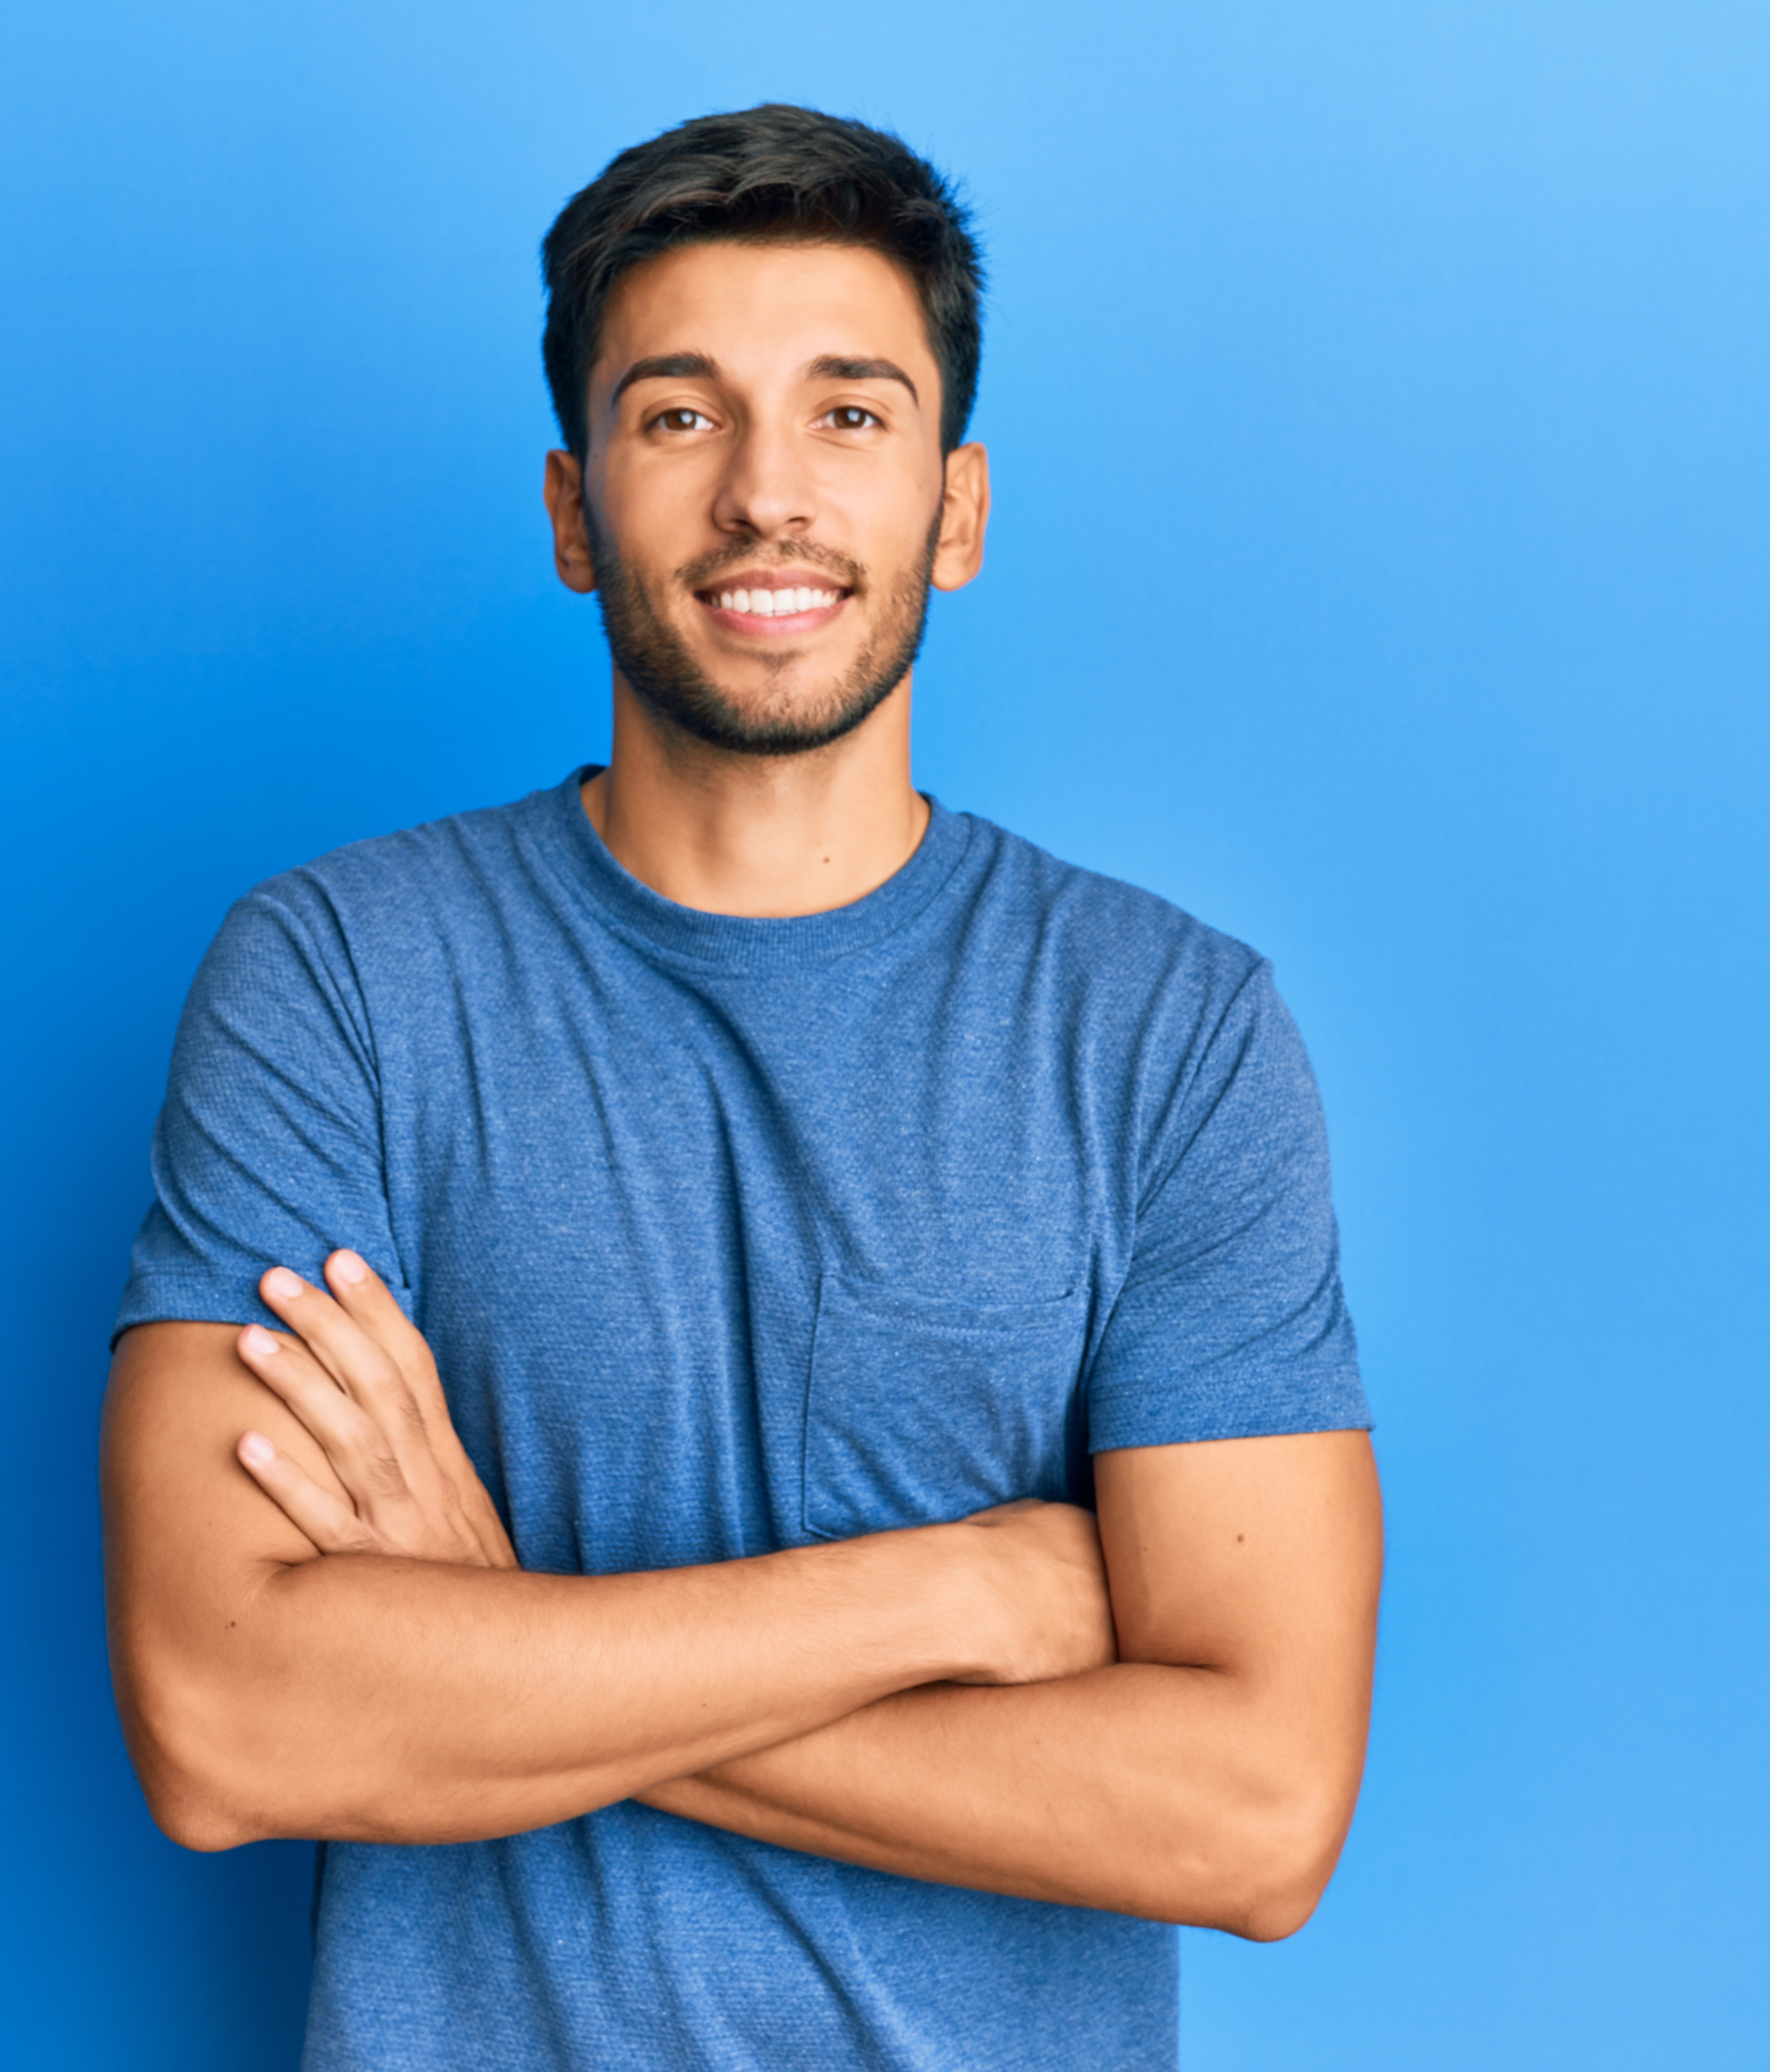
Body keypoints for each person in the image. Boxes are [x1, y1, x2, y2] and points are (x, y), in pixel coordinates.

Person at [98, 103, 1383, 2071]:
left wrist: (504, 1633)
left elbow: (1256, 1811)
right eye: (681, 416)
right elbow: (231, 1723)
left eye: (850, 415)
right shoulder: (341, 981)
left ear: (954, 510)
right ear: (571, 506)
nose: (766, 495)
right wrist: (954, 1589)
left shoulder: (1166, 1032)